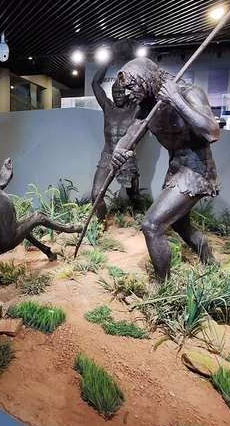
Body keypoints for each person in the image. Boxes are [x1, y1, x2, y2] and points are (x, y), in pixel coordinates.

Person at [111, 58, 219, 280]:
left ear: (146, 80)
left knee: (151, 225)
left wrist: (176, 100)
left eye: (131, 87)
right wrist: (119, 150)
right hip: (175, 171)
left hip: (196, 170)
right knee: (181, 225)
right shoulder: (148, 107)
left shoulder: (189, 93)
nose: (128, 94)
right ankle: (211, 264)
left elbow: (212, 132)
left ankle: (163, 286)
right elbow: (130, 135)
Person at [90, 44, 141, 224]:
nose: (118, 95)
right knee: (96, 194)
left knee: (133, 194)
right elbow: (95, 83)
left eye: (121, 91)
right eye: (115, 92)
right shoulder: (108, 107)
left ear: (127, 93)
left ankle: (138, 212)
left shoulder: (135, 109)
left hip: (127, 156)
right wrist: (109, 60)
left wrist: (134, 64)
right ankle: (101, 222)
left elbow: (147, 93)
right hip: (108, 155)